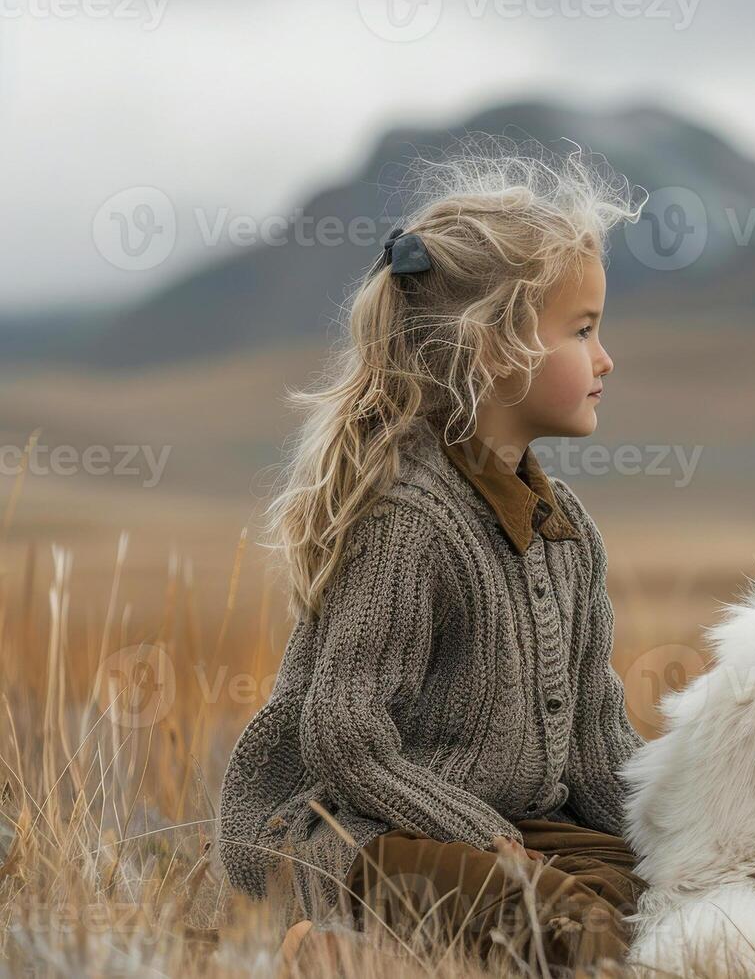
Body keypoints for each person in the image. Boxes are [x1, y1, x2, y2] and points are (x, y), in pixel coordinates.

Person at [216, 137, 649, 972]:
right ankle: (334, 950)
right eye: (584, 331)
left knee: (679, 896)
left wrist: (690, 834)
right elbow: (346, 738)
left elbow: (598, 746)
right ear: (494, 348)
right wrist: (481, 836)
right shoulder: (408, 520)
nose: (605, 359)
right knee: (571, 931)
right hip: (352, 829)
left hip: (504, 829)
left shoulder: (569, 534)